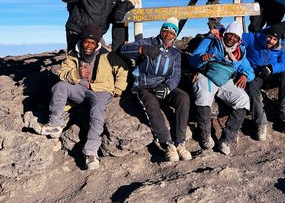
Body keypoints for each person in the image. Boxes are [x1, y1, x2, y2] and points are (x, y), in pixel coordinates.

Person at [39, 24, 129, 170]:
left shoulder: (108, 54)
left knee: (97, 112)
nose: (89, 45)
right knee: (59, 86)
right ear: (82, 41)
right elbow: (62, 73)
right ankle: (55, 125)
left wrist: (119, 88)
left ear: (97, 44)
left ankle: (91, 152)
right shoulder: (73, 54)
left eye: (92, 43)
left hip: (101, 90)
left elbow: (122, 70)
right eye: (87, 41)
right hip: (80, 89)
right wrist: (76, 75)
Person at [119, 18, 192, 162]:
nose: (168, 34)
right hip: (144, 86)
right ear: (161, 30)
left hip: (162, 86)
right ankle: (167, 144)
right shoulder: (148, 42)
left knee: (183, 97)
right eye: (166, 30)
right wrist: (141, 50)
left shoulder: (175, 53)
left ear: (175, 35)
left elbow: (176, 74)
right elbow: (123, 51)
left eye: (172, 32)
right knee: (152, 105)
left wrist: (168, 87)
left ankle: (180, 142)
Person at [188, 21, 255, 155]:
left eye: (235, 37)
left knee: (243, 99)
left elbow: (248, 68)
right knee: (203, 95)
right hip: (207, 74)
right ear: (225, 33)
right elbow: (193, 59)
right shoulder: (212, 41)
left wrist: (245, 76)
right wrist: (202, 58)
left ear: (238, 40)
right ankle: (205, 136)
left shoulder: (240, 51)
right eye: (230, 34)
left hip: (226, 78)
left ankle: (226, 140)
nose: (231, 38)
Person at [242, 26, 285, 141]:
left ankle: (284, 110)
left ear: (279, 40)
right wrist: (218, 32)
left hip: (271, 75)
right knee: (250, 85)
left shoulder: (283, 46)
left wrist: (271, 68)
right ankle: (260, 121)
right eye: (269, 37)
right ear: (264, 34)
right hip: (255, 75)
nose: (271, 41)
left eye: (274, 39)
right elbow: (233, 34)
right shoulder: (253, 38)